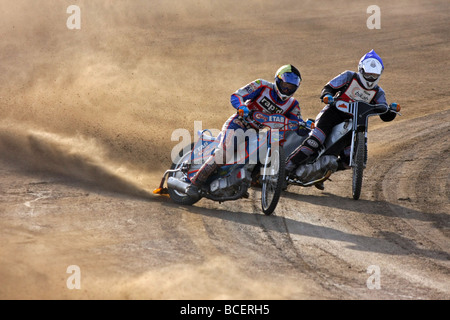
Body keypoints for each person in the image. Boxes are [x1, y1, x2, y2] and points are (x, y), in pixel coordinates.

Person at [186, 64, 306, 197]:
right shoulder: (261, 85)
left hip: (255, 133)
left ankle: (240, 181)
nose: (287, 89)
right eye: (285, 85)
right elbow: (237, 95)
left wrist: (304, 126)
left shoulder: (293, 104)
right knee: (225, 153)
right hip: (239, 123)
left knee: (260, 153)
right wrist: (241, 106)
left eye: (291, 87)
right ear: (278, 80)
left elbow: (298, 122)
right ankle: (195, 183)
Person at [285, 50, 397, 189]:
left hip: (356, 123)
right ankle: (286, 168)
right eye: (368, 74)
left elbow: (383, 111)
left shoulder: (379, 92)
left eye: (374, 75)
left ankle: (321, 172)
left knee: (351, 158)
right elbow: (329, 87)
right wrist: (327, 95)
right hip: (332, 114)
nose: (370, 78)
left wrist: (390, 111)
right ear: (361, 70)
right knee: (316, 140)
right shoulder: (349, 76)